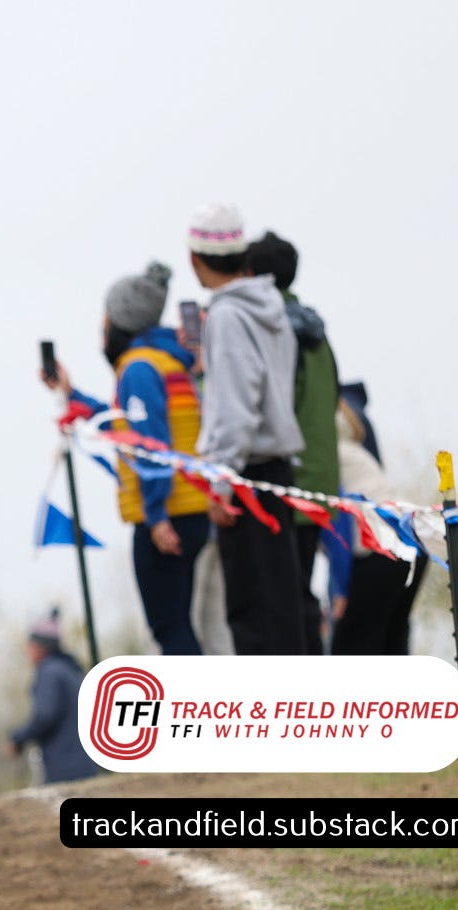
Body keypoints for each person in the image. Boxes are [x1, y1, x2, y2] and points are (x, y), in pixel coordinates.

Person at [45, 260, 212, 654]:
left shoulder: (138, 369)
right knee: (179, 625)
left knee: (170, 629)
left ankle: (192, 697)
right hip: (191, 508)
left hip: (168, 513)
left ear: (119, 322)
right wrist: (72, 395)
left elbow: (150, 444)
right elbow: (128, 426)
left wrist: (156, 515)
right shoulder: (170, 362)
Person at [186, 204, 306, 655]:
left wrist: (221, 482)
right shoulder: (270, 307)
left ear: (194, 258)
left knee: (252, 611)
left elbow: (237, 410)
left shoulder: (226, 316)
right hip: (275, 470)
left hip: (246, 476)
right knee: (280, 606)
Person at [246, 231, 342, 654]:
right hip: (321, 476)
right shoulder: (316, 331)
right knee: (300, 589)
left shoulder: (276, 331)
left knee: (285, 596)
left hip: (291, 477)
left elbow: (274, 404)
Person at [326, 401, 423, 655]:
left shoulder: (327, 455)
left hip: (379, 551)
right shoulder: (354, 451)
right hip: (412, 542)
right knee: (391, 645)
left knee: (352, 649)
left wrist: (340, 589)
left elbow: (338, 525)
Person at [8, 610, 101, 783]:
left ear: (41, 647)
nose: (28, 651)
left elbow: (45, 716)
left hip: (65, 768)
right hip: (86, 766)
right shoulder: (71, 670)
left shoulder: (49, 672)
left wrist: (18, 739)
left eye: (30, 646)